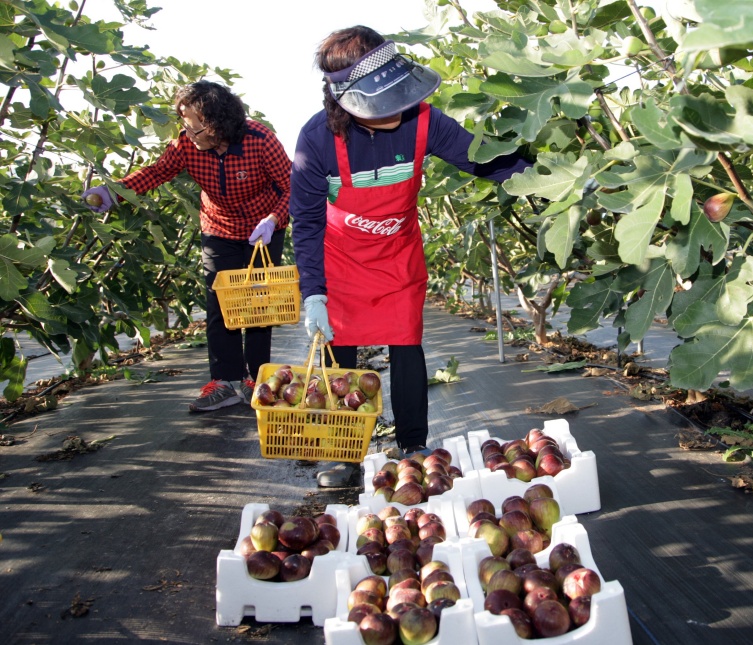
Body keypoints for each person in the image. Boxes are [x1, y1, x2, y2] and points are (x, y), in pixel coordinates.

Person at [290, 26, 531, 486]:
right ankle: (342, 452)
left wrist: (547, 176)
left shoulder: (423, 121)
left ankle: (414, 446)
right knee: (341, 357)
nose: (398, 108)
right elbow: (306, 220)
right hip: (341, 262)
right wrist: (313, 292)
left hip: (397, 255)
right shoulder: (316, 139)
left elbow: (482, 160)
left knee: (406, 345)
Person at [82, 80, 292, 413]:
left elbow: (291, 185)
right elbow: (157, 172)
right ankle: (224, 382)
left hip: (263, 229)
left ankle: (257, 379)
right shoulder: (185, 144)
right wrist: (114, 191)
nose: (189, 134)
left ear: (218, 124)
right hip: (219, 228)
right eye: (185, 125)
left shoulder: (260, 140)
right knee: (219, 302)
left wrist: (273, 219)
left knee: (257, 305)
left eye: (196, 128)